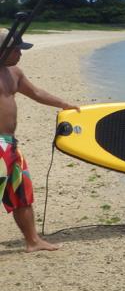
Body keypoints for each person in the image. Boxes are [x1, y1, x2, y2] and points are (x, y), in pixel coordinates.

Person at [0, 29, 80, 252]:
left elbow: (36, 92)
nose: (20, 54)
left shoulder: (14, 73)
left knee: (21, 194)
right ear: (3, 50)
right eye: (16, 49)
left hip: (10, 144)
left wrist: (63, 103)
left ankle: (33, 241)